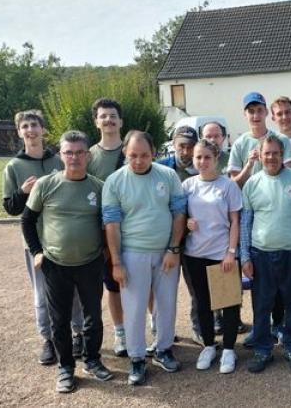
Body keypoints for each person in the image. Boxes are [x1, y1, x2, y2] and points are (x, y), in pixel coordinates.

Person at [21, 130, 112, 393]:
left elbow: (107, 224)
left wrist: (106, 252)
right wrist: (37, 251)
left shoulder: (98, 187)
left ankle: (92, 360)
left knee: (92, 316)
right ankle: (66, 368)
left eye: (79, 152)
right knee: (59, 320)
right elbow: (27, 220)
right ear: (61, 155)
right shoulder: (46, 184)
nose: (74, 157)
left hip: (90, 263)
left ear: (88, 155)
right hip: (55, 264)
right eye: (68, 152)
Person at [103, 130, 186, 385]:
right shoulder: (114, 181)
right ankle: (137, 358)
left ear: (154, 154)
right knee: (135, 307)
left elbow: (179, 213)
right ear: (125, 153)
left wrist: (173, 249)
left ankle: (163, 349)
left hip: (165, 253)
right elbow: (112, 224)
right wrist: (116, 262)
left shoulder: (169, 175)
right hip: (132, 254)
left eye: (145, 155)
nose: (139, 161)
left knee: (166, 304)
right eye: (133, 155)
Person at [2, 110, 83, 365]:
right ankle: (48, 340)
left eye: (34, 125)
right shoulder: (14, 166)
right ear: (19, 132)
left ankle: (78, 333)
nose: (30, 130)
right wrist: (22, 192)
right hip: (36, 241)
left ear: (43, 129)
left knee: (74, 292)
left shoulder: (58, 160)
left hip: (62, 237)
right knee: (41, 294)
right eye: (25, 126)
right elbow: (10, 207)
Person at [240, 136, 291, 373]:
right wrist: (244, 256)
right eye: (267, 153)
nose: (271, 158)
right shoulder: (252, 184)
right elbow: (245, 224)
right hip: (260, 255)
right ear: (260, 154)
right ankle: (263, 349)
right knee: (262, 304)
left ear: (283, 154)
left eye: (276, 153)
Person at [228, 91, 291, 345]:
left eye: (259, 110)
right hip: (251, 216)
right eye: (250, 111)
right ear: (245, 114)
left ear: (266, 113)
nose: (255, 115)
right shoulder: (240, 144)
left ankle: (279, 325)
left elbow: (290, 171)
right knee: (257, 275)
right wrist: (249, 165)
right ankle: (261, 327)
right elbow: (234, 184)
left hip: (277, 215)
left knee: (279, 275)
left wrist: (269, 166)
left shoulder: (279, 140)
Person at [182, 139, 243, 373]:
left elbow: (235, 221)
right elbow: (180, 216)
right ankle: (208, 345)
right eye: (198, 157)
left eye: (207, 157)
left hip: (221, 255)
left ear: (216, 159)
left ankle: (228, 349)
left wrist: (231, 252)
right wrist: (187, 223)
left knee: (227, 302)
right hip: (194, 255)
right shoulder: (187, 185)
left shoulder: (227, 186)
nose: (202, 161)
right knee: (202, 304)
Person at [87, 97, 127, 357]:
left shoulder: (132, 149)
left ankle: (153, 328)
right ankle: (121, 332)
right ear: (96, 121)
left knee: (143, 283)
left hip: (135, 227)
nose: (109, 120)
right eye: (103, 116)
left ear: (120, 121)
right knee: (112, 284)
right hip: (102, 229)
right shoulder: (89, 155)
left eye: (113, 115)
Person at [200, 121, 248, 335]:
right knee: (203, 292)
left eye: (216, 135)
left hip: (225, 239)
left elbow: (234, 215)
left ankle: (232, 319)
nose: (212, 139)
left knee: (229, 286)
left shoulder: (229, 159)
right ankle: (210, 326)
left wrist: (231, 250)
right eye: (208, 135)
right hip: (200, 244)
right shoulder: (196, 169)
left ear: (223, 138)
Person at [159, 126, 203, 346]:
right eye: (181, 146)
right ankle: (162, 331)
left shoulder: (203, 166)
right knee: (164, 289)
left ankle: (199, 328)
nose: (185, 151)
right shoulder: (161, 169)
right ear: (173, 146)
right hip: (165, 239)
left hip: (194, 240)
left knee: (196, 288)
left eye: (189, 146)